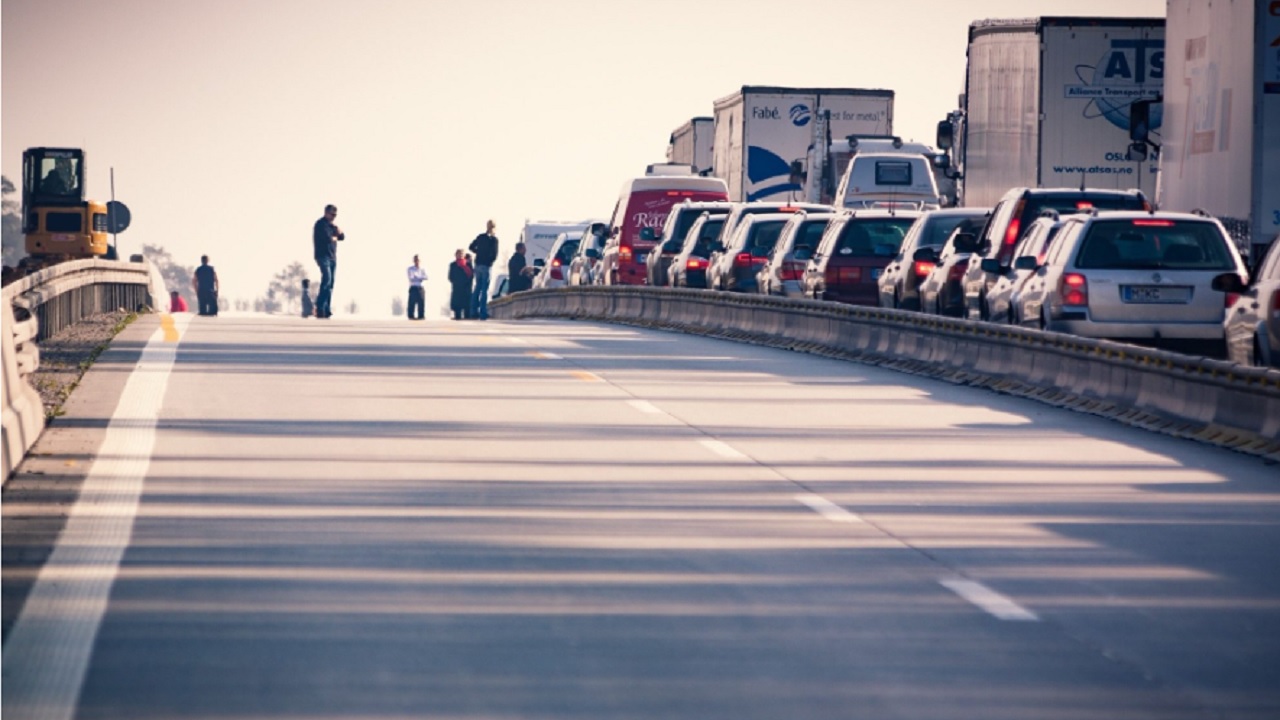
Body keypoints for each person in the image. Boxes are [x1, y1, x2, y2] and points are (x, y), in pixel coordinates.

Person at [313, 204, 344, 319]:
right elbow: (328, 238)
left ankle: (326, 309)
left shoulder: (332, 225)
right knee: (327, 278)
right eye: (332, 214)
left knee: (330, 284)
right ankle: (320, 306)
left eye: (335, 215)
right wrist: (336, 236)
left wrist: (338, 232)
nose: (333, 217)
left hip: (332, 257)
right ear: (326, 213)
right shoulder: (321, 224)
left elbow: (342, 237)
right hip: (322, 256)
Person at [468, 219, 499, 320]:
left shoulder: (480, 237)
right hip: (486, 265)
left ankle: (473, 311)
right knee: (484, 289)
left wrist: (479, 252)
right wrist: (489, 260)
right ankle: (483, 312)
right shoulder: (494, 240)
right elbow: (494, 254)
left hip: (478, 264)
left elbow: (471, 247)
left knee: (477, 288)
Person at [448, 249, 473, 320]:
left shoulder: (468, 264)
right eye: (459, 254)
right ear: (456, 255)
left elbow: (471, 275)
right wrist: (456, 282)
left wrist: (467, 283)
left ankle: (467, 316)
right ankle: (457, 316)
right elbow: (450, 276)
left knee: (466, 304)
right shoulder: (453, 265)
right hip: (457, 287)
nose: (460, 255)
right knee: (457, 304)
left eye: (462, 254)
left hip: (466, 287)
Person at [406, 254, 428, 320]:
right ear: (413, 260)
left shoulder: (423, 269)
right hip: (413, 287)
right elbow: (411, 277)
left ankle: (421, 316)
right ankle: (411, 316)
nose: (416, 261)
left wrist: (418, 277)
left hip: (420, 287)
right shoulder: (410, 269)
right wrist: (420, 278)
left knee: (421, 302)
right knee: (411, 303)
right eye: (415, 260)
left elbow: (426, 277)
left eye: (418, 260)